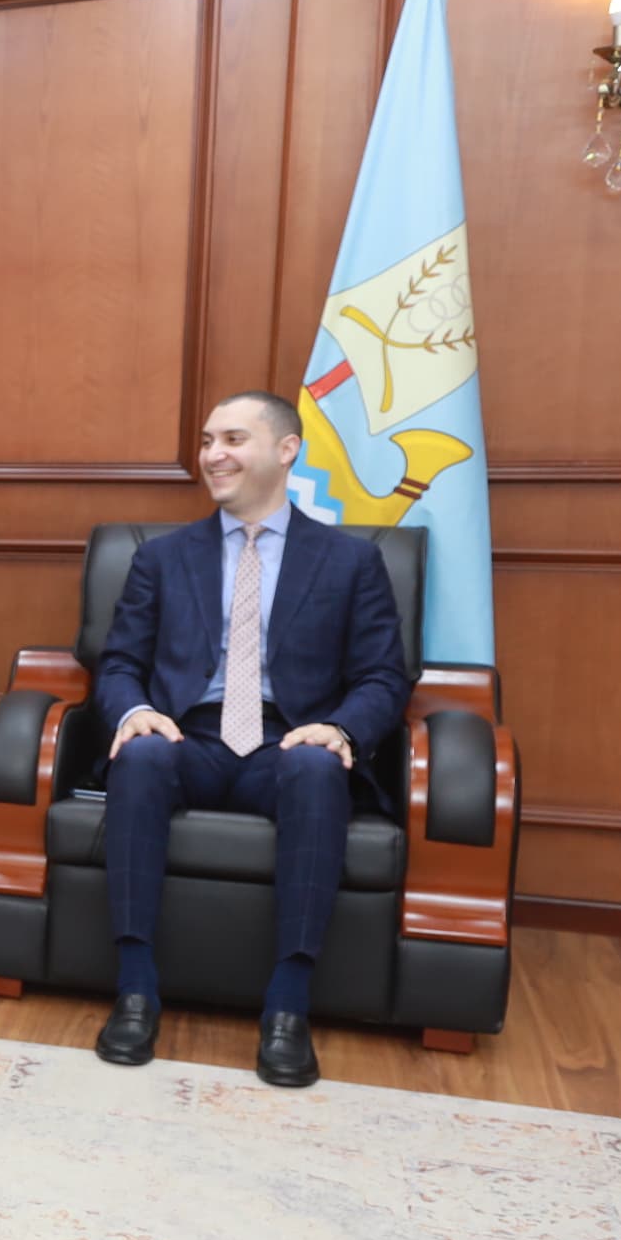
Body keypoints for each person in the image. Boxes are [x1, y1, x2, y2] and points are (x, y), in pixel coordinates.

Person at [92, 391, 411, 1087]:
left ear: (286, 450)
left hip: (287, 740)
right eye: (208, 441)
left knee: (318, 768)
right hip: (187, 734)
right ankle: (136, 991)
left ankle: (288, 1007)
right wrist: (134, 710)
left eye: (233, 439)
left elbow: (383, 676)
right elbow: (117, 663)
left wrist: (340, 728)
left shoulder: (350, 562)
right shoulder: (161, 558)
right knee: (139, 757)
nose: (213, 455)